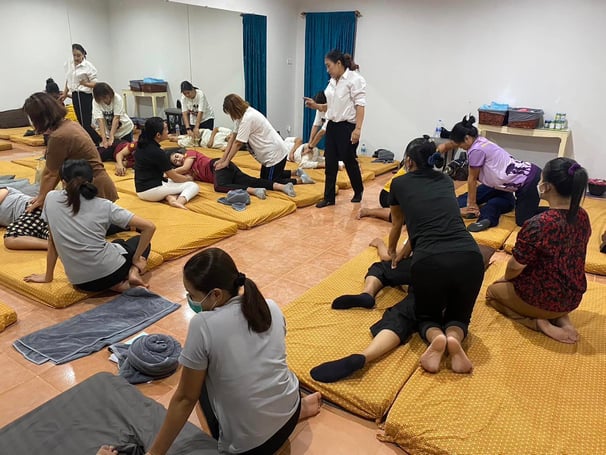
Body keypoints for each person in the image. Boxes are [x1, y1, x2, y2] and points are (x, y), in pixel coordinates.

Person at [145, 248, 322, 455]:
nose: (189, 300)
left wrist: (154, 453)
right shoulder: (271, 307)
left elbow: (185, 398)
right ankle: (298, 409)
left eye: (192, 295)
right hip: (290, 415)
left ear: (216, 294)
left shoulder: (202, 325)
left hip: (253, 447)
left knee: (196, 381)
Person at [311, 238, 495, 383]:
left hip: (429, 271)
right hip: (464, 275)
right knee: (457, 317)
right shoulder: (466, 242)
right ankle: (453, 338)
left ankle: (366, 349)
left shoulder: (419, 228)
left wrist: (380, 243)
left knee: (402, 306)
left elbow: (392, 257)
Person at [387, 137, 485, 373]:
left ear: (408, 161)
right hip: (470, 257)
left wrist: (392, 253)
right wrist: (404, 251)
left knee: (427, 317)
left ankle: (436, 338)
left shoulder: (398, 184)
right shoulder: (445, 180)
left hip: (429, 261)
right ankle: (454, 338)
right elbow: (431, 221)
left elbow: (398, 224)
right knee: (459, 317)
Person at [486, 158, 590, 344]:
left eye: (540, 179)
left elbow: (515, 267)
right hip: (573, 298)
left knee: (492, 293)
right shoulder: (582, 215)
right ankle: (561, 317)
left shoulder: (538, 224)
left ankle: (539, 323)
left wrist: (505, 279)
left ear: (547, 187)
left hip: (539, 298)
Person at [23, 160, 155, 293]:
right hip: (112, 272)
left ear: (63, 182)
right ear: (93, 180)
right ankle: (132, 272)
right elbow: (149, 227)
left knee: (117, 243)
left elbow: (53, 240)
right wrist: (137, 259)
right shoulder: (104, 205)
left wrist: (48, 276)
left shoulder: (50, 198)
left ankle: (117, 284)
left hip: (81, 283)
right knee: (138, 241)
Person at [438, 115, 542, 231]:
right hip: (499, 186)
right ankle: (487, 217)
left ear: (467, 138)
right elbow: (455, 143)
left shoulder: (476, 150)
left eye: (461, 145)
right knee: (466, 201)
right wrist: (442, 148)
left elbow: (472, 179)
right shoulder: (479, 140)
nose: (461, 148)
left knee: (522, 220)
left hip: (528, 182)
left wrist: (472, 205)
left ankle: (553, 213)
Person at [23, 92, 118, 213]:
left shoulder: (59, 136)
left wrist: (42, 199)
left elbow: (50, 173)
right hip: (92, 188)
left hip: (93, 191)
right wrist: (42, 196)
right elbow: (54, 170)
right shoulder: (69, 125)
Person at [304, 50, 366, 208]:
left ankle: (358, 190)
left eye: (328, 66)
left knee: (349, 160)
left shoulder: (354, 80)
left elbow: (360, 105)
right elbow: (330, 106)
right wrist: (316, 106)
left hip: (347, 126)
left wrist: (357, 129)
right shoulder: (332, 82)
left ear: (339, 64)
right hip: (332, 125)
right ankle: (329, 197)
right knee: (330, 162)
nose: (327, 70)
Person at [218, 94, 314, 186]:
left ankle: (301, 180)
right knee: (265, 178)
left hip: (274, 155)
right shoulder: (239, 117)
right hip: (271, 153)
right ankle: (296, 172)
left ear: (234, 109)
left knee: (269, 181)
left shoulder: (248, 118)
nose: (230, 116)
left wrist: (226, 162)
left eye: (230, 113)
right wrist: (222, 159)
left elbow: (238, 143)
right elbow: (232, 139)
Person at [168, 149, 296, 199]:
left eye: (177, 156)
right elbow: (188, 179)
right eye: (176, 161)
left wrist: (167, 172)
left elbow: (185, 167)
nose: (179, 160)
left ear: (181, 153)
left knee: (219, 186)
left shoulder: (189, 154)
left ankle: (253, 191)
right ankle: (283, 186)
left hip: (217, 166)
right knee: (250, 179)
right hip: (224, 172)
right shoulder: (187, 170)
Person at [134, 117, 199, 210]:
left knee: (171, 182)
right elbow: (174, 177)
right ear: (158, 135)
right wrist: (188, 179)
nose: (168, 131)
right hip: (151, 191)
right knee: (193, 186)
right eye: (166, 129)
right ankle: (179, 202)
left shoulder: (141, 145)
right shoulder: (157, 152)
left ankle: (171, 198)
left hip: (141, 189)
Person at [61, 43, 101, 144]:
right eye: (74, 55)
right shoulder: (69, 64)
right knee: (81, 122)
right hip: (75, 94)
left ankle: (98, 140)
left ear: (83, 54)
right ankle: (91, 142)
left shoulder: (88, 66)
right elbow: (68, 79)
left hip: (85, 95)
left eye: (78, 55)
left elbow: (95, 84)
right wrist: (65, 93)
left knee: (86, 123)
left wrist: (85, 83)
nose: (76, 58)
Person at [92, 82, 134, 148]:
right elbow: (100, 120)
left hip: (125, 130)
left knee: (128, 151)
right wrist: (104, 139)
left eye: (106, 97)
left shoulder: (117, 98)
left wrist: (112, 136)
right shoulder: (96, 102)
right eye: (102, 98)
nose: (106, 100)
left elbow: (116, 118)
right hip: (109, 132)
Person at [168, 126, 232, 150]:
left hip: (199, 142)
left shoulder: (226, 145)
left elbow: (225, 149)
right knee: (188, 136)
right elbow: (216, 128)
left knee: (174, 140)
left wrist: (231, 143)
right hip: (203, 132)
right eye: (231, 136)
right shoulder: (228, 131)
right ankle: (179, 136)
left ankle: (177, 137)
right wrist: (211, 140)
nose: (229, 137)